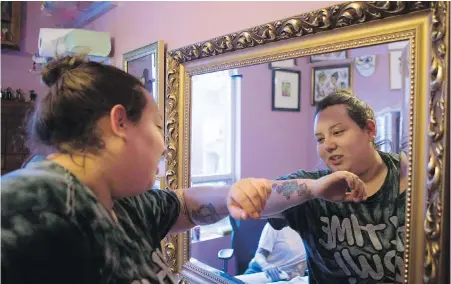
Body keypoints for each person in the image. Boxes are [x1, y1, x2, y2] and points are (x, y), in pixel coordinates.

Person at [1, 56, 368, 284]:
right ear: (120, 122)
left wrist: (232, 194)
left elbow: (186, 204)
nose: (164, 144)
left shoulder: (121, 204)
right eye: (159, 126)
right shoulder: (37, 201)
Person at [267, 90, 408, 283]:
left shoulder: (410, 174)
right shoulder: (315, 187)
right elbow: (258, 202)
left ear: (370, 130)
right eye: (320, 139)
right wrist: (313, 189)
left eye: (338, 132)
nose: (328, 145)